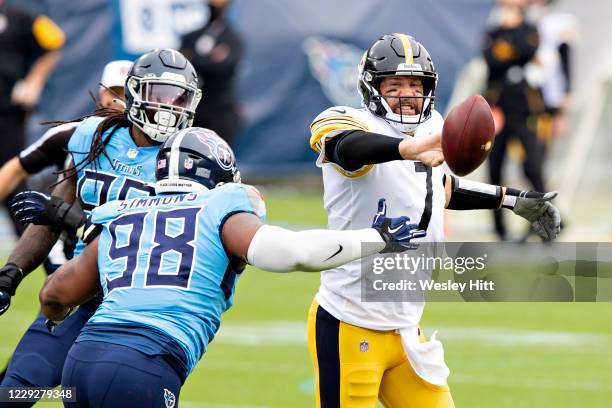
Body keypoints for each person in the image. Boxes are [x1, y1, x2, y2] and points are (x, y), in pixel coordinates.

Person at [33, 126, 423, 407]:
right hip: (146, 360)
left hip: (80, 361)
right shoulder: (220, 205)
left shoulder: (121, 211)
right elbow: (292, 252)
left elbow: (56, 294)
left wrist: (56, 314)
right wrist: (375, 238)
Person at [307, 33, 561, 407]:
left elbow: (440, 189)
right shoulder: (347, 122)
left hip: (406, 328)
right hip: (350, 321)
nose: (408, 94)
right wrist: (404, 148)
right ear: (371, 86)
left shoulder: (431, 127)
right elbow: (346, 149)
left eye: (416, 84)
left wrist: (512, 199)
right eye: (395, 85)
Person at [0, 48, 198, 399]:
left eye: (178, 98)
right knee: (17, 388)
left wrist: (71, 217)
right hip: (82, 289)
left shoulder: (190, 155)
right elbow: (52, 216)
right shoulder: (94, 136)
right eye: (159, 96)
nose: (169, 108)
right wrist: (10, 275)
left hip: (142, 303)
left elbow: (151, 232)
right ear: (134, 92)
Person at [0, 59, 131, 385]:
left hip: (130, 279)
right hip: (73, 257)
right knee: (30, 374)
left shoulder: (165, 152)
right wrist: (10, 274)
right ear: (100, 94)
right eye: (113, 93)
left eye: (126, 95)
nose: (118, 103)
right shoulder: (80, 136)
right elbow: (16, 170)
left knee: (88, 379)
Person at [482, 0, 550, 240]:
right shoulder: (493, 29)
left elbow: (527, 51)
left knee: (533, 167)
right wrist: (507, 41)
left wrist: (511, 33)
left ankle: (544, 224)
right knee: (495, 170)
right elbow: (491, 59)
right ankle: (500, 229)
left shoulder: (528, 28)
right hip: (498, 108)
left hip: (524, 110)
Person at [0, 0, 64, 234]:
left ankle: (29, 239)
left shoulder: (21, 18)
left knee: (13, 175)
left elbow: (55, 41)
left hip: (7, 113)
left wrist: (33, 81)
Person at [180, 0, 243, 147]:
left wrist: (195, 58)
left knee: (220, 158)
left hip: (221, 110)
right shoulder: (192, 36)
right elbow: (182, 65)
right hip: (193, 108)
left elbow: (222, 67)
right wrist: (209, 59)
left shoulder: (233, 38)